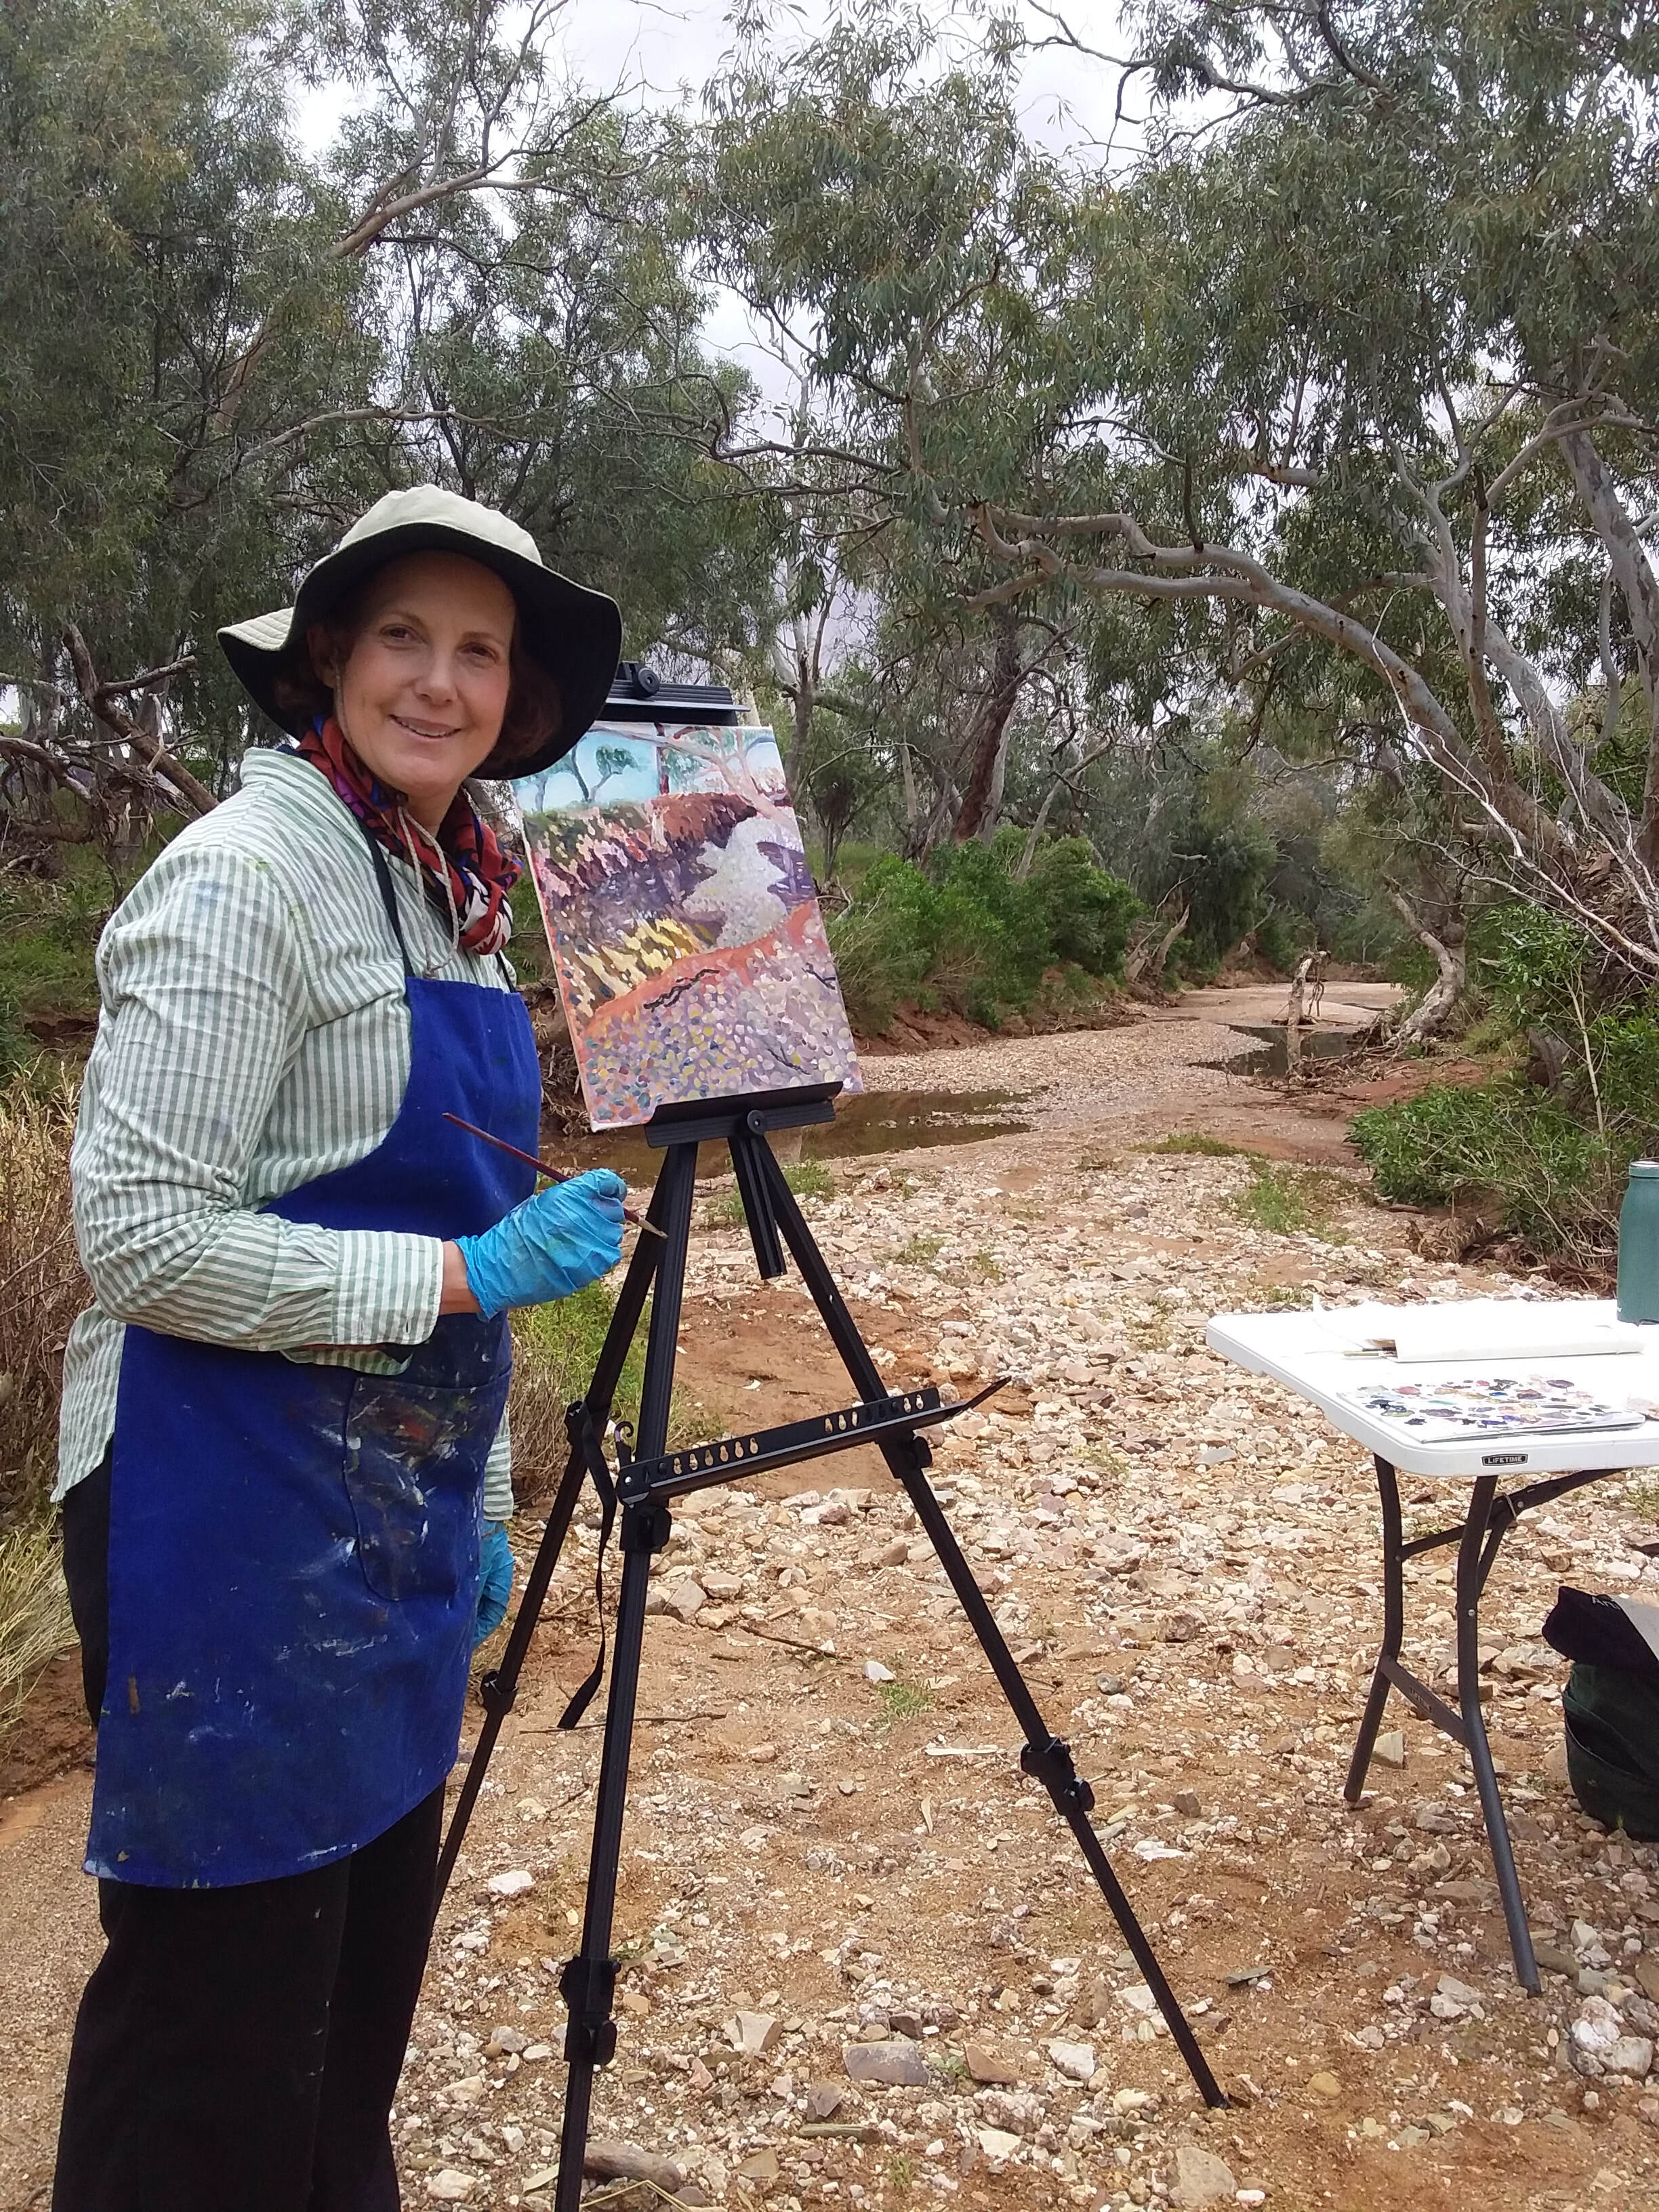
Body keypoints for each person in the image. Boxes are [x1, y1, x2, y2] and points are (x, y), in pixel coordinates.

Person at [52, 485, 630, 2212]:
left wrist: (481, 1493)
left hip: (384, 1512)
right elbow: (141, 1240)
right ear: (327, 658)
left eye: (479, 652)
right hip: (212, 1505)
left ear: (516, 695)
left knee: (350, 2010)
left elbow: (458, 1229)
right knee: (214, 2040)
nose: (440, 682)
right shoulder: (249, 876)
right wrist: (462, 1277)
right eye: (403, 637)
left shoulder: (451, 897)